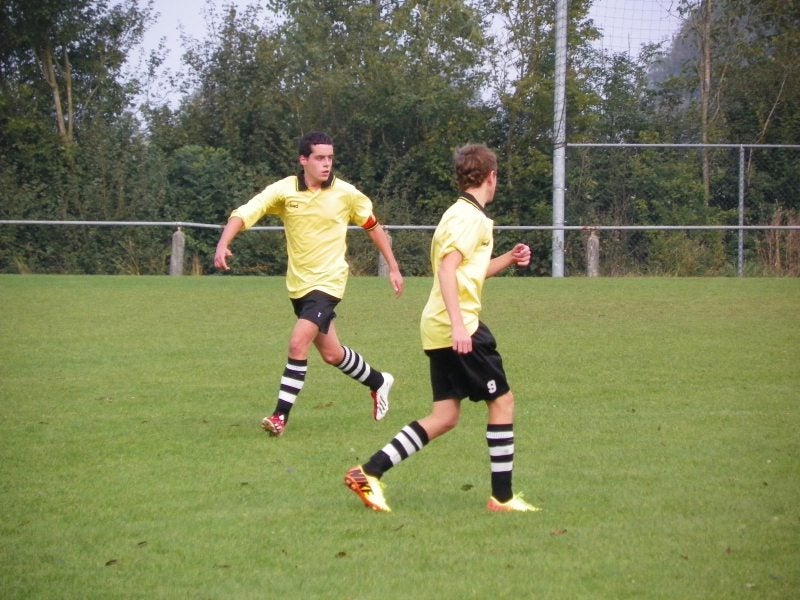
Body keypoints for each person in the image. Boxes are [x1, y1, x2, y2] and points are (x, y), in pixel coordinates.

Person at [344, 143, 539, 512]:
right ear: (491, 177)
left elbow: (468, 271)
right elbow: (447, 270)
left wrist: (509, 259)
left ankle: (368, 472)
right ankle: (502, 498)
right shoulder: (470, 218)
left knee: (444, 417)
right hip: (458, 326)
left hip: (439, 326)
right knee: (502, 402)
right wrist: (459, 327)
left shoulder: (458, 213)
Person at [214, 131, 404, 437]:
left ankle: (279, 417)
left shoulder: (346, 193)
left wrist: (393, 267)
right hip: (299, 286)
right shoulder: (284, 190)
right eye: (319, 158)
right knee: (332, 354)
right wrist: (224, 243)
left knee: (297, 343)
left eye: (330, 158)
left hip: (329, 283)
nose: (326, 164)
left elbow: (373, 226)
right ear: (303, 160)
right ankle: (379, 382)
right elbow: (245, 212)